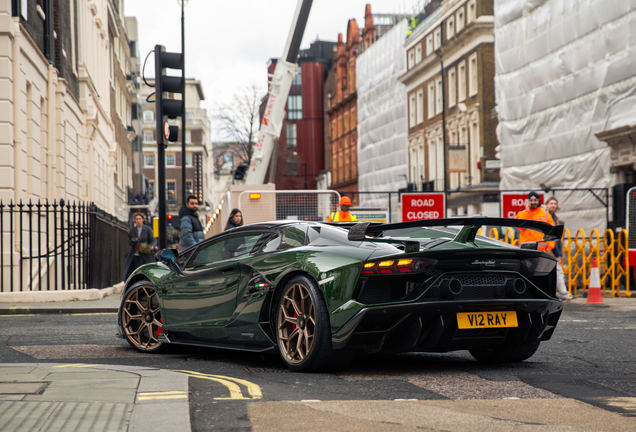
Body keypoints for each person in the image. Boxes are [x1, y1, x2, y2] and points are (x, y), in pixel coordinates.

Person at [545, 196, 574, 301]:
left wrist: (559, 252)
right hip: (548, 248)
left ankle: (560, 293)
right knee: (557, 271)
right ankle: (563, 294)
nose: (553, 205)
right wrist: (557, 253)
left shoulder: (555, 218)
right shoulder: (546, 217)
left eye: (554, 203)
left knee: (555, 271)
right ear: (547, 204)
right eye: (551, 203)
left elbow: (556, 238)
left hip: (553, 248)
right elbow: (551, 236)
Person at [122, 213, 157, 281]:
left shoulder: (147, 229)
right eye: (136, 219)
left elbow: (153, 239)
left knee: (146, 270)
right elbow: (129, 241)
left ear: (143, 220)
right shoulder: (133, 230)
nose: (138, 221)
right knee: (137, 270)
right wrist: (132, 240)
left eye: (139, 219)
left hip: (146, 254)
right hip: (136, 254)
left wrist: (152, 246)